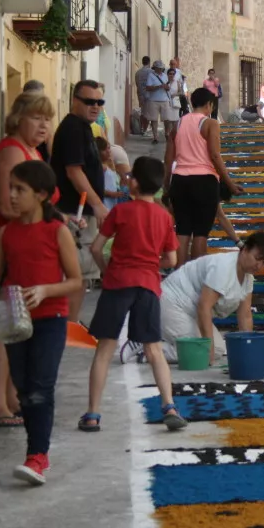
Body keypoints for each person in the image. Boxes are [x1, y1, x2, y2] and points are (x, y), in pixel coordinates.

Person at [0, 161, 82, 485]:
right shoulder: (5, 234)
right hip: (15, 324)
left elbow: (76, 280)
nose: (10, 195)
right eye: (10, 187)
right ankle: (37, 453)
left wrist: (45, 290)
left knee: (40, 388)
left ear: (40, 195)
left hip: (51, 319)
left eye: (19, 190)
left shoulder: (57, 231)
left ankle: (36, 456)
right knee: (24, 390)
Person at [0, 92, 61, 429]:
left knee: (18, 324)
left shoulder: (32, 152)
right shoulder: (11, 151)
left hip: (18, 246)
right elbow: (8, 207)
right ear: (18, 118)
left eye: (47, 119)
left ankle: (11, 400)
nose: (43, 125)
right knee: (3, 324)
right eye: (37, 118)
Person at [81, 156, 187, 433]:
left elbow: (95, 248)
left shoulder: (121, 212)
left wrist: (107, 270)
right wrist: (151, 263)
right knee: (153, 349)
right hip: (148, 285)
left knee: (105, 349)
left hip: (118, 283)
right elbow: (172, 259)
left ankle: (93, 413)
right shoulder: (164, 218)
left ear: (135, 182)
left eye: (129, 177)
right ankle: (169, 406)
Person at [160, 232, 264, 364]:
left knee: (218, 350)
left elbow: (245, 315)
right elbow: (204, 308)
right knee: (202, 352)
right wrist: (207, 349)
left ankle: (159, 341)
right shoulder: (223, 267)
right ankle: (148, 348)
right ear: (245, 250)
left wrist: (248, 349)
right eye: (257, 258)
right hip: (171, 303)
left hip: (191, 310)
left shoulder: (248, 278)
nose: (259, 266)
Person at [164, 88, 244, 264]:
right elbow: (215, 156)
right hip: (204, 181)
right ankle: (195, 278)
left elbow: (168, 159)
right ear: (209, 105)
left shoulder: (177, 125)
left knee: (183, 232)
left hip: (180, 180)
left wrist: (166, 187)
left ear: (193, 103)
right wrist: (229, 183)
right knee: (201, 233)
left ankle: (180, 277)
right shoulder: (210, 124)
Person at [50, 80, 108, 319]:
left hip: (80, 211)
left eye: (99, 102)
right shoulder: (73, 128)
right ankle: (68, 326)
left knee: (82, 274)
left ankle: (69, 325)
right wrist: (98, 205)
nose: (95, 107)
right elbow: (74, 172)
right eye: (89, 102)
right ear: (75, 101)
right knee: (79, 272)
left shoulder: (83, 127)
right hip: (76, 212)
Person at [96, 137, 128, 211]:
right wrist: (113, 194)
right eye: (105, 149)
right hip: (105, 204)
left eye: (109, 148)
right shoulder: (100, 167)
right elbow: (97, 188)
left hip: (112, 203)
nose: (108, 151)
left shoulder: (109, 163)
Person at [142, 60, 169, 144]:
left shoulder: (165, 76)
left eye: (161, 68)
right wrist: (159, 86)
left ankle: (167, 134)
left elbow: (168, 87)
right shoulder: (151, 75)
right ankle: (155, 137)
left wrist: (167, 87)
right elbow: (148, 88)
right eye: (159, 68)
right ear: (155, 68)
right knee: (154, 119)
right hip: (153, 100)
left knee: (166, 119)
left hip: (164, 100)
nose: (160, 70)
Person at [162, 66, 182, 139]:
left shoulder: (177, 82)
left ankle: (173, 134)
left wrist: (175, 94)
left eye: (173, 74)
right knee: (167, 119)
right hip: (166, 101)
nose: (172, 75)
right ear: (167, 74)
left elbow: (180, 92)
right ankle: (167, 132)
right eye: (170, 74)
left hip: (175, 102)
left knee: (175, 119)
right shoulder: (165, 82)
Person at [134, 56, 153, 133]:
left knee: (142, 111)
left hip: (140, 93)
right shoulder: (151, 72)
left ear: (142, 62)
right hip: (150, 94)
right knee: (148, 112)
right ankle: (145, 129)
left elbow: (137, 83)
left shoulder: (138, 72)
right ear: (149, 62)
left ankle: (142, 128)